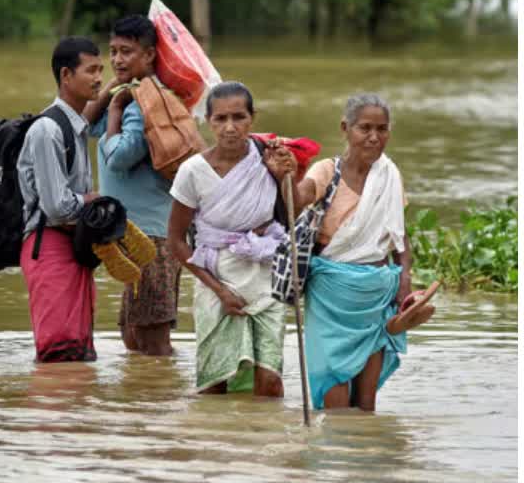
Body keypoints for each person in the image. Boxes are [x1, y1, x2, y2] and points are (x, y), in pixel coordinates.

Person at [280, 94, 434, 411]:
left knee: (365, 406)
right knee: (333, 396)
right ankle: (337, 457)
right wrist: (283, 174)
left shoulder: (389, 176)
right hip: (329, 298)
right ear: (345, 128)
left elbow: (400, 236)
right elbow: (297, 199)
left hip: (376, 297)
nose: (374, 137)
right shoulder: (326, 171)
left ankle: (364, 457)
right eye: (365, 128)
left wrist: (405, 277)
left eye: (382, 128)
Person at [166, 82, 290, 395]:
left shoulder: (270, 160)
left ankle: (266, 442)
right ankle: (215, 441)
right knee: (215, 380)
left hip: (265, 278)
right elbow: (177, 242)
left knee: (271, 381)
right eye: (220, 119)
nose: (230, 128)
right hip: (215, 279)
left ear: (253, 119)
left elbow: (293, 216)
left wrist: (285, 175)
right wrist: (220, 291)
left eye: (239, 117)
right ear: (208, 122)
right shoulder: (192, 171)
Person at [83, 15, 180, 356]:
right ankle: (142, 403)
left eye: (127, 51)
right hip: (138, 234)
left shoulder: (143, 102)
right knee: (132, 334)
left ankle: (159, 404)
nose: (117, 60)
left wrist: (115, 111)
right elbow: (83, 124)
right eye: (113, 51)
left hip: (151, 235)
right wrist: (111, 91)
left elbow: (121, 156)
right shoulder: (128, 96)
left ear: (150, 55)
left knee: (152, 340)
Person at [17, 36, 102, 362]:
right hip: (48, 244)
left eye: (100, 70)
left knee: (79, 354)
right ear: (66, 76)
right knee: (58, 354)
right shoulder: (48, 130)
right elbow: (56, 206)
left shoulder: (75, 126)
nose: (98, 78)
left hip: (73, 247)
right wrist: (92, 201)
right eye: (91, 70)